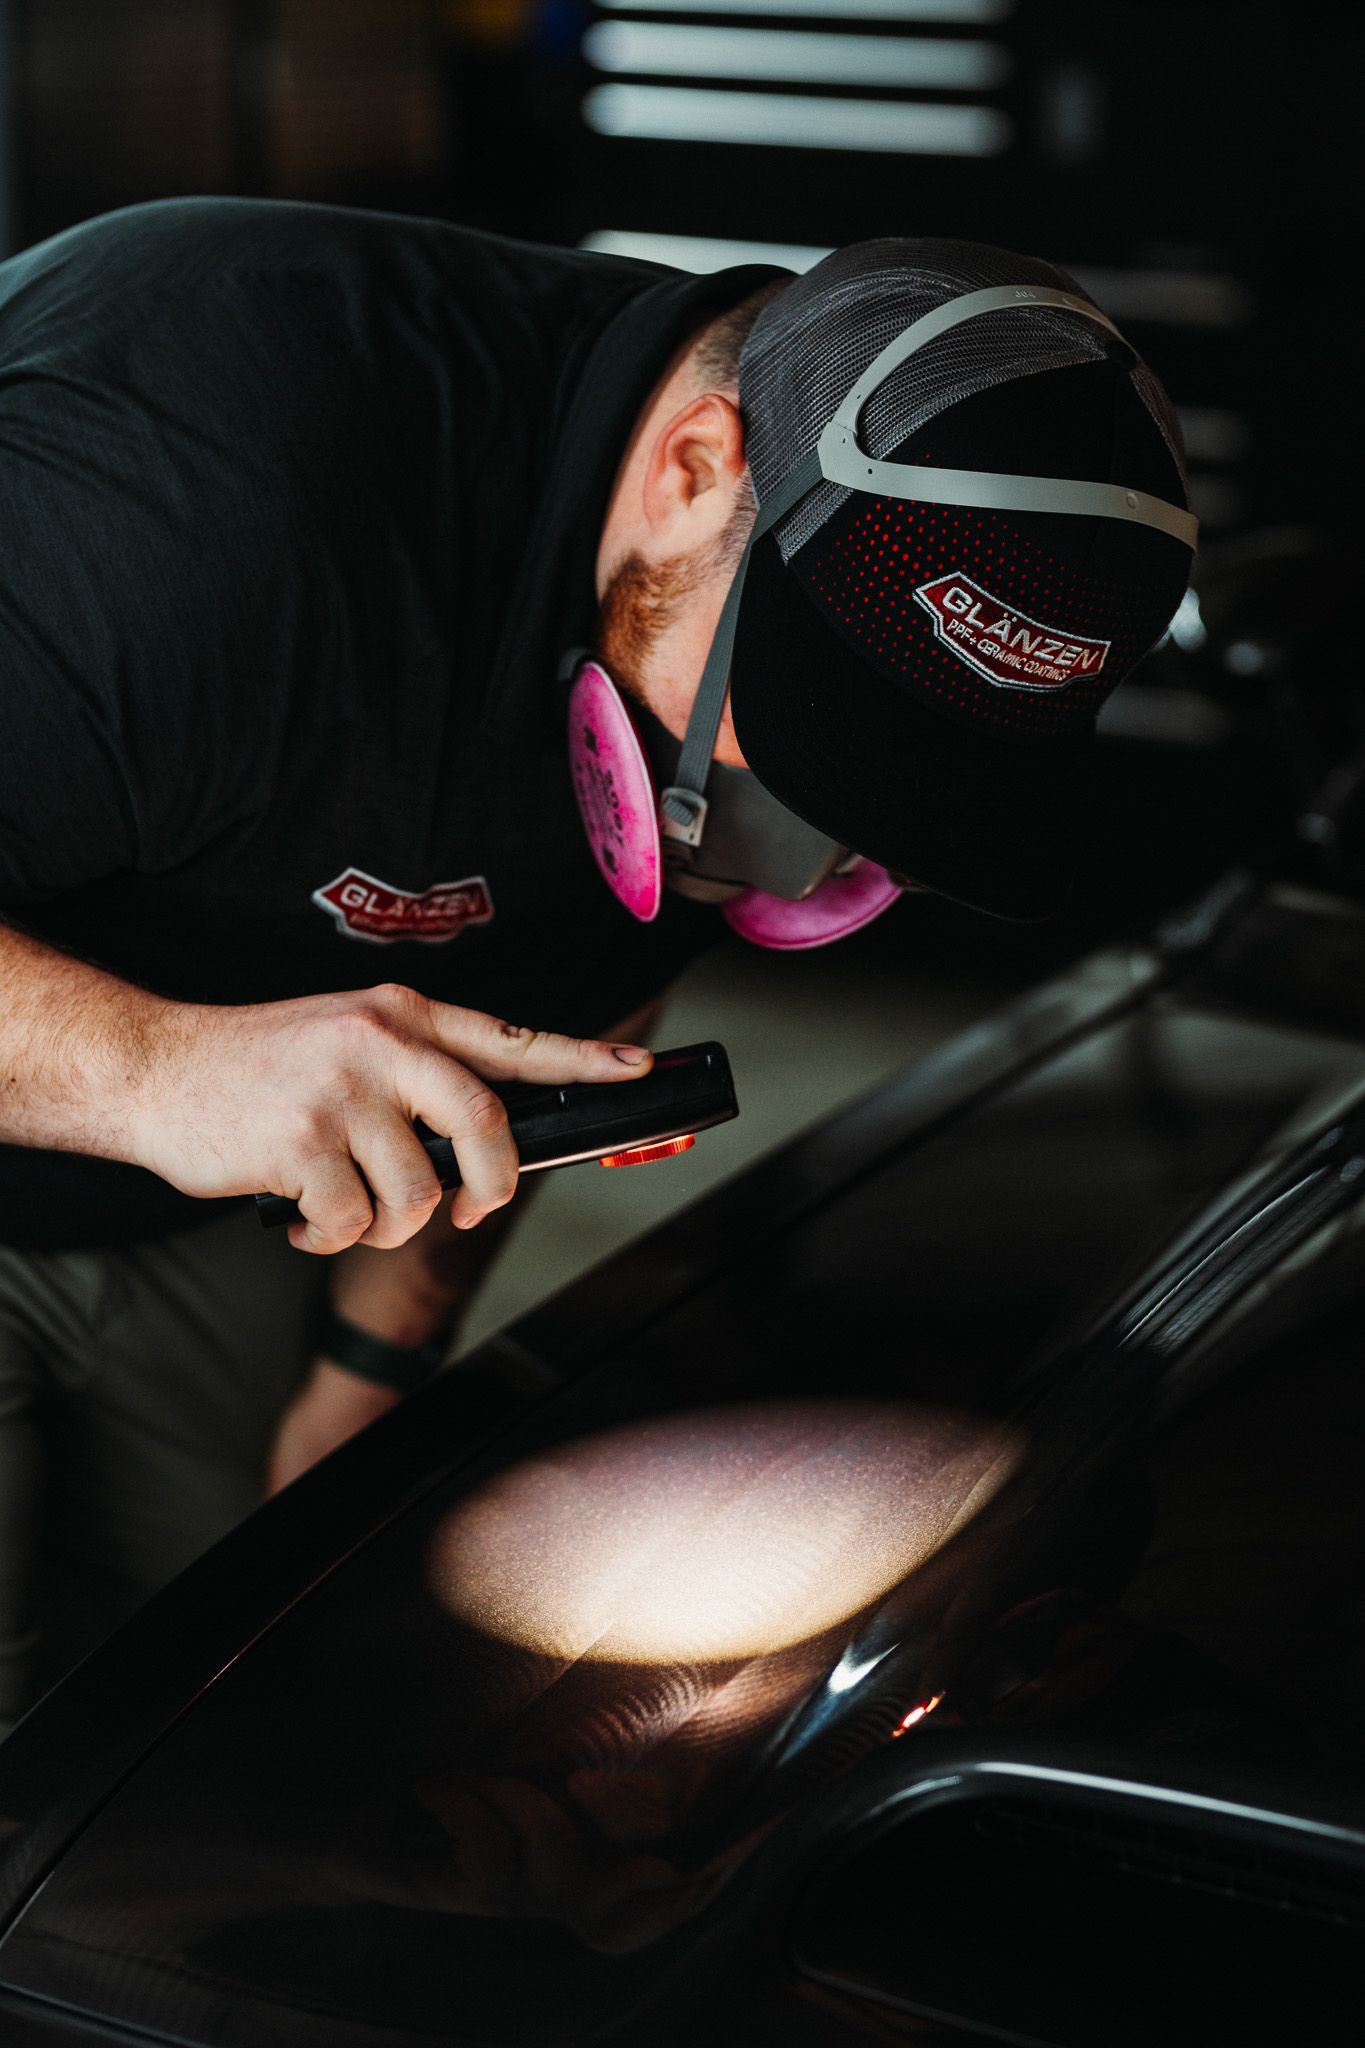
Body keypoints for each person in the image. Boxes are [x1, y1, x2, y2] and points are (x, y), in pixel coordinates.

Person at [0, 199, 1195, 1733]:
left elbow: (576, 999)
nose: (794, 846)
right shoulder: (192, 481)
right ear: (695, 471)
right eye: (789, 755)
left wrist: (365, 1387)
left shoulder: (756, 601)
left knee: (193, 1700)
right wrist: (157, 1068)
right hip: (122, 1073)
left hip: (256, 1175)